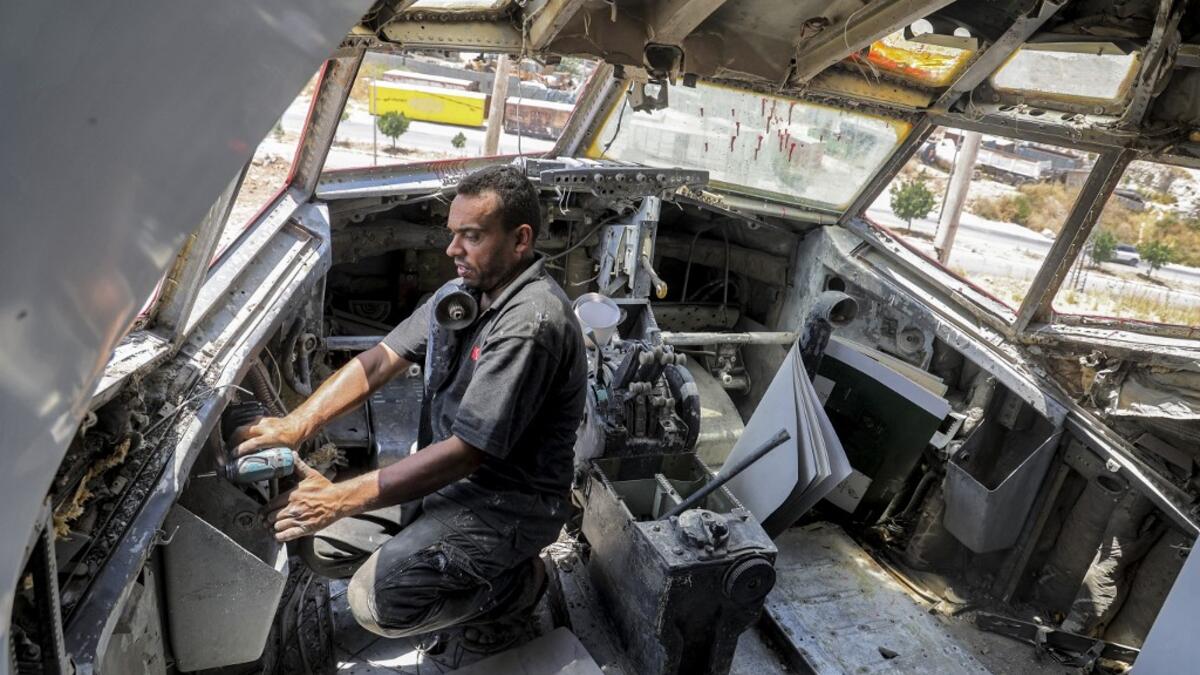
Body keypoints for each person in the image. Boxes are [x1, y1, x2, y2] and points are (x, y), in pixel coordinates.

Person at [233, 165, 587, 658]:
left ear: (520, 239)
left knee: (375, 603)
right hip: (448, 488)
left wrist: (337, 498)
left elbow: (465, 454)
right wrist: (297, 424)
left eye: (472, 236)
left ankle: (520, 588)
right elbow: (381, 360)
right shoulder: (464, 293)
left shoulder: (531, 324)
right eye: (452, 234)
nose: (452, 250)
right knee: (322, 545)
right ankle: (432, 564)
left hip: (507, 506)